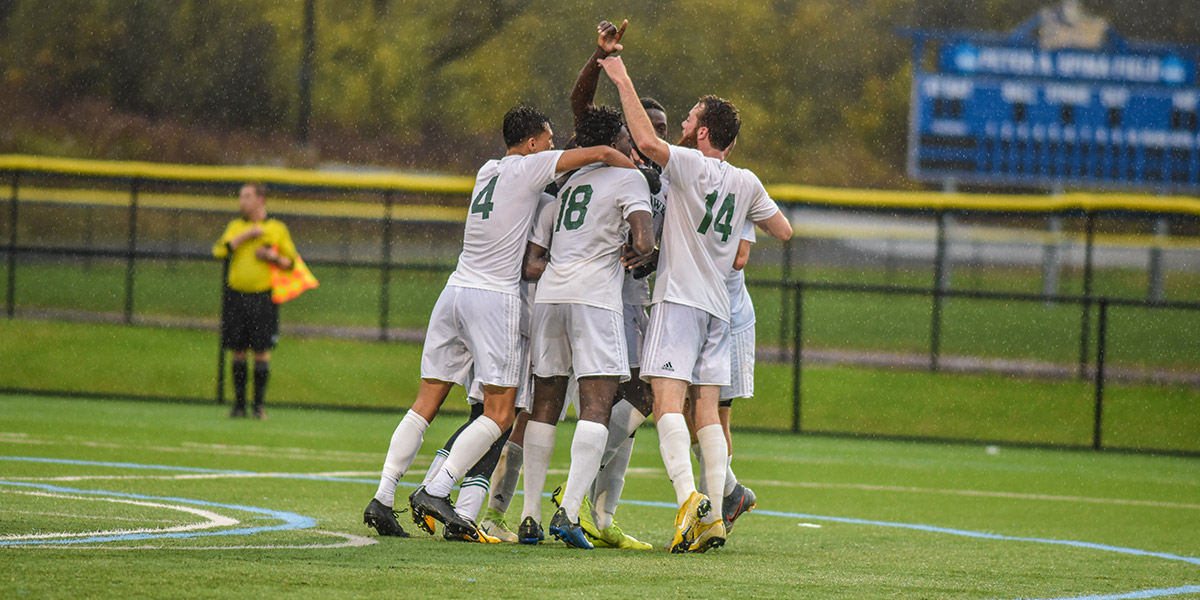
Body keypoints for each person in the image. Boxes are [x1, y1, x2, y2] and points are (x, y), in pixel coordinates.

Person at [362, 106, 637, 540]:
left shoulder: (486, 171)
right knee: (502, 412)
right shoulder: (529, 168)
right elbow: (597, 152)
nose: (552, 147)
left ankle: (382, 496)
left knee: (426, 402)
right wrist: (637, 172)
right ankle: (436, 489)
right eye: (547, 140)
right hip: (493, 299)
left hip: (454, 290)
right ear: (530, 144)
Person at [599, 52, 793, 553]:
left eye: (691, 118)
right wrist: (745, 216)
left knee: (666, 402)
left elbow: (645, 141)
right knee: (705, 410)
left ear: (704, 134)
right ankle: (716, 515)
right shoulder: (747, 181)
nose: (684, 123)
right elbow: (785, 231)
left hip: (679, 301)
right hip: (718, 309)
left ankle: (691, 506)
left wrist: (620, 77)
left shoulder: (686, 164)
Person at [518, 105, 654, 549]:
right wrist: (640, 252)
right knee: (596, 407)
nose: (628, 145)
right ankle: (570, 511)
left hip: (552, 297)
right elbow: (644, 238)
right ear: (613, 139)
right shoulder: (629, 176)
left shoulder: (569, 182)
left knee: (546, 404)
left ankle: (530, 516)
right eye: (623, 137)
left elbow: (534, 260)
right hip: (594, 299)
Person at [559, 19, 667, 550]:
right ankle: (569, 499)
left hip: (638, 299)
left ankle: (599, 513)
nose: (655, 136)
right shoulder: (619, 163)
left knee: (627, 400)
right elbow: (582, 109)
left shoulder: (668, 171)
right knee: (633, 396)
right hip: (608, 295)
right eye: (648, 126)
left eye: (662, 129)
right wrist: (599, 60)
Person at [212, 183, 296, 420]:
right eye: (241, 196)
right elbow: (220, 250)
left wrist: (270, 255)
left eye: (247, 196)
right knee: (238, 350)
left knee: (261, 350)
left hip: (263, 298)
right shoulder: (236, 227)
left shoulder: (276, 228)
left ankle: (258, 406)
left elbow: (290, 263)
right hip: (236, 297)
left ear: (261, 199)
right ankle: (239, 406)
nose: (242, 201)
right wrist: (247, 236)